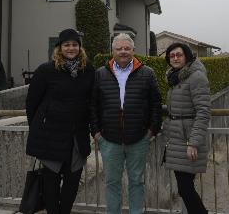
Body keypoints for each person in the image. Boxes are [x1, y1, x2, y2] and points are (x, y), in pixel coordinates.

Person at [90, 33, 162, 214]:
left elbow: (156, 104)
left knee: (137, 181)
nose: (123, 51)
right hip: (109, 140)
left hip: (138, 139)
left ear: (133, 50)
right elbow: (92, 105)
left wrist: (152, 131)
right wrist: (96, 132)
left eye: (126, 48)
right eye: (119, 48)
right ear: (112, 51)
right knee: (111, 182)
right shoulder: (100, 74)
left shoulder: (147, 73)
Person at [25, 28, 94, 214]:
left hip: (76, 137)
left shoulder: (87, 70)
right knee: (51, 182)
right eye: (67, 44)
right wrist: (38, 128)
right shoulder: (46, 70)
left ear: (80, 47)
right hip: (51, 136)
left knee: (72, 181)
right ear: (59, 47)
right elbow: (32, 104)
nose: (71, 48)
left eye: (74, 44)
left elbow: (92, 102)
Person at [163, 42, 211, 214]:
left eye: (179, 54)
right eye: (172, 55)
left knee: (185, 188)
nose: (175, 58)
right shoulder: (176, 77)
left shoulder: (196, 77)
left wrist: (193, 142)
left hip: (188, 140)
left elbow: (203, 111)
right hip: (176, 139)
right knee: (185, 188)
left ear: (187, 56)